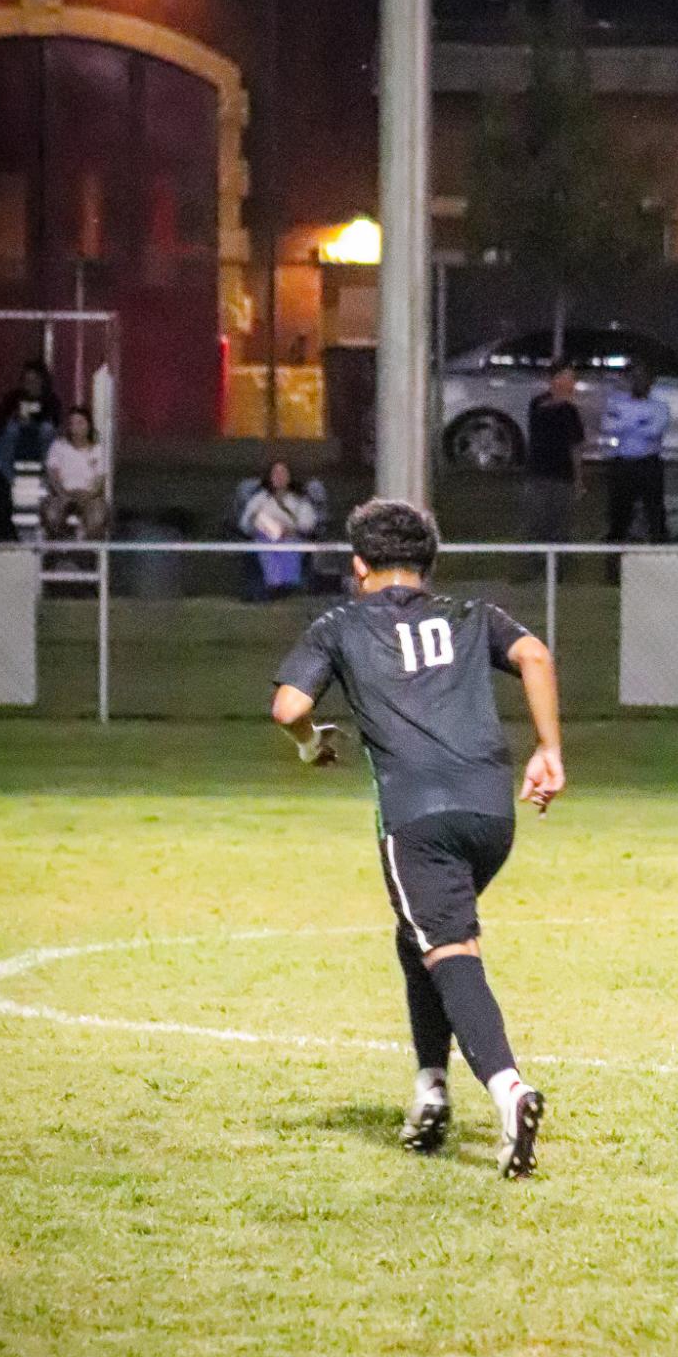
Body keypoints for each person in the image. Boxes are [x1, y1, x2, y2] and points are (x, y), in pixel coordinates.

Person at [271, 497, 563, 1179]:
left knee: (450, 949)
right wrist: (549, 749)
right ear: (428, 565)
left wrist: (310, 746)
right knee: (420, 938)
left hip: (417, 818)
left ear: (358, 565)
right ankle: (430, 1090)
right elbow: (536, 654)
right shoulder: (471, 615)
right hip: (493, 815)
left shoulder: (342, 622)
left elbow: (290, 706)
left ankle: (509, 1090)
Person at [600, 359, 669, 569]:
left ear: (651, 381)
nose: (639, 382)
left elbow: (655, 431)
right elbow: (608, 426)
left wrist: (625, 424)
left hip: (648, 464)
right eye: (635, 377)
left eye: (644, 378)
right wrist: (638, 422)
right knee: (618, 517)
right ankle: (613, 568)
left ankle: (662, 565)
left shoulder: (659, 407)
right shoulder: (617, 402)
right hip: (623, 465)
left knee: (655, 515)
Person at [524, 362, 585, 547]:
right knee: (538, 523)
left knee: (560, 525)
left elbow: (575, 447)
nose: (573, 383)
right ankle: (536, 564)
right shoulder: (540, 404)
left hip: (562, 476)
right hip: (539, 473)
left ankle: (558, 567)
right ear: (556, 379)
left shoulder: (570, 411)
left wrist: (578, 479)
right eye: (569, 377)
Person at [241, 461, 318, 598]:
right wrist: (263, 525)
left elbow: (308, 524)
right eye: (275, 473)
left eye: (283, 473)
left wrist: (287, 529)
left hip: (292, 540)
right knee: (266, 547)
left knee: (290, 547)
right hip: (264, 541)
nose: (279, 476)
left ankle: (287, 587)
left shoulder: (299, 500)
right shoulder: (260, 499)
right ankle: (272, 587)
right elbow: (245, 523)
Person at [41, 407, 108, 540]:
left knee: (97, 518)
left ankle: (88, 554)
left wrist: (88, 496)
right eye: (72, 423)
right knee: (51, 515)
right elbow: (52, 475)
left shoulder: (98, 449)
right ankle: (60, 550)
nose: (75, 427)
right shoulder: (58, 446)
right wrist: (62, 494)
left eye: (80, 423)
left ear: (88, 426)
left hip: (89, 495)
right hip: (62, 493)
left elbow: (100, 480)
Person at [0, 359, 61, 483]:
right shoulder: (13, 397)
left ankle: (49, 480)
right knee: (11, 428)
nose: (31, 384)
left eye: (35, 380)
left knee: (47, 429)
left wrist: (39, 417)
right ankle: (5, 481)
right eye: (27, 381)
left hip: (40, 448)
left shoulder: (51, 399)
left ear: (42, 381)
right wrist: (15, 418)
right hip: (17, 446)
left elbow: (56, 423)